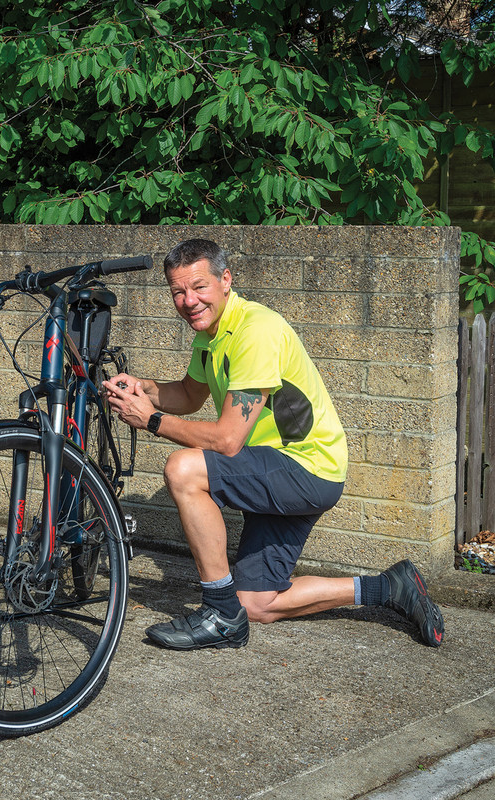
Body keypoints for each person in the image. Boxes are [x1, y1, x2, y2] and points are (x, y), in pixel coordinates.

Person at [102, 238, 445, 651]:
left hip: (306, 468)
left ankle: (219, 613)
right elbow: (190, 395)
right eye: (178, 291)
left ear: (225, 280)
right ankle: (390, 587)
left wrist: (152, 420)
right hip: (276, 466)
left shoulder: (255, 331)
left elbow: (227, 441)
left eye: (199, 286)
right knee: (256, 602)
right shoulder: (211, 333)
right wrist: (143, 388)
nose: (189, 301)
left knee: (184, 468)